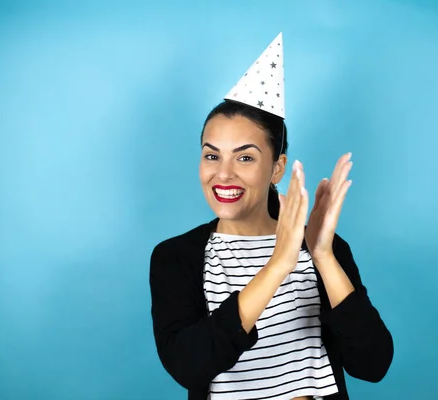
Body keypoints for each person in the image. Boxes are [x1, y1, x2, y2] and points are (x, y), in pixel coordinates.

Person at [149, 33, 393, 400]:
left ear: (277, 168)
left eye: (245, 157)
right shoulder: (175, 258)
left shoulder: (323, 248)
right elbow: (188, 365)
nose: (224, 173)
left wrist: (322, 256)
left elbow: (373, 365)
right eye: (212, 155)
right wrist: (278, 264)